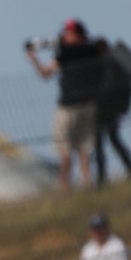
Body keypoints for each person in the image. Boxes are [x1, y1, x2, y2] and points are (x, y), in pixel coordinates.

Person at [26, 19, 105, 192]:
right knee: (84, 149)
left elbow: (46, 73)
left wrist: (34, 60)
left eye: (69, 33)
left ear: (77, 34)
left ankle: (64, 188)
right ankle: (87, 185)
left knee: (65, 151)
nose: (65, 36)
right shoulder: (93, 51)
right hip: (89, 104)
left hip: (68, 106)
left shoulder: (66, 54)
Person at [94, 39, 131, 185]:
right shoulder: (117, 63)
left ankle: (101, 178)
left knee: (100, 143)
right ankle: (130, 170)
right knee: (113, 140)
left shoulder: (103, 65)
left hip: (103, 107)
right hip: (113, 107)